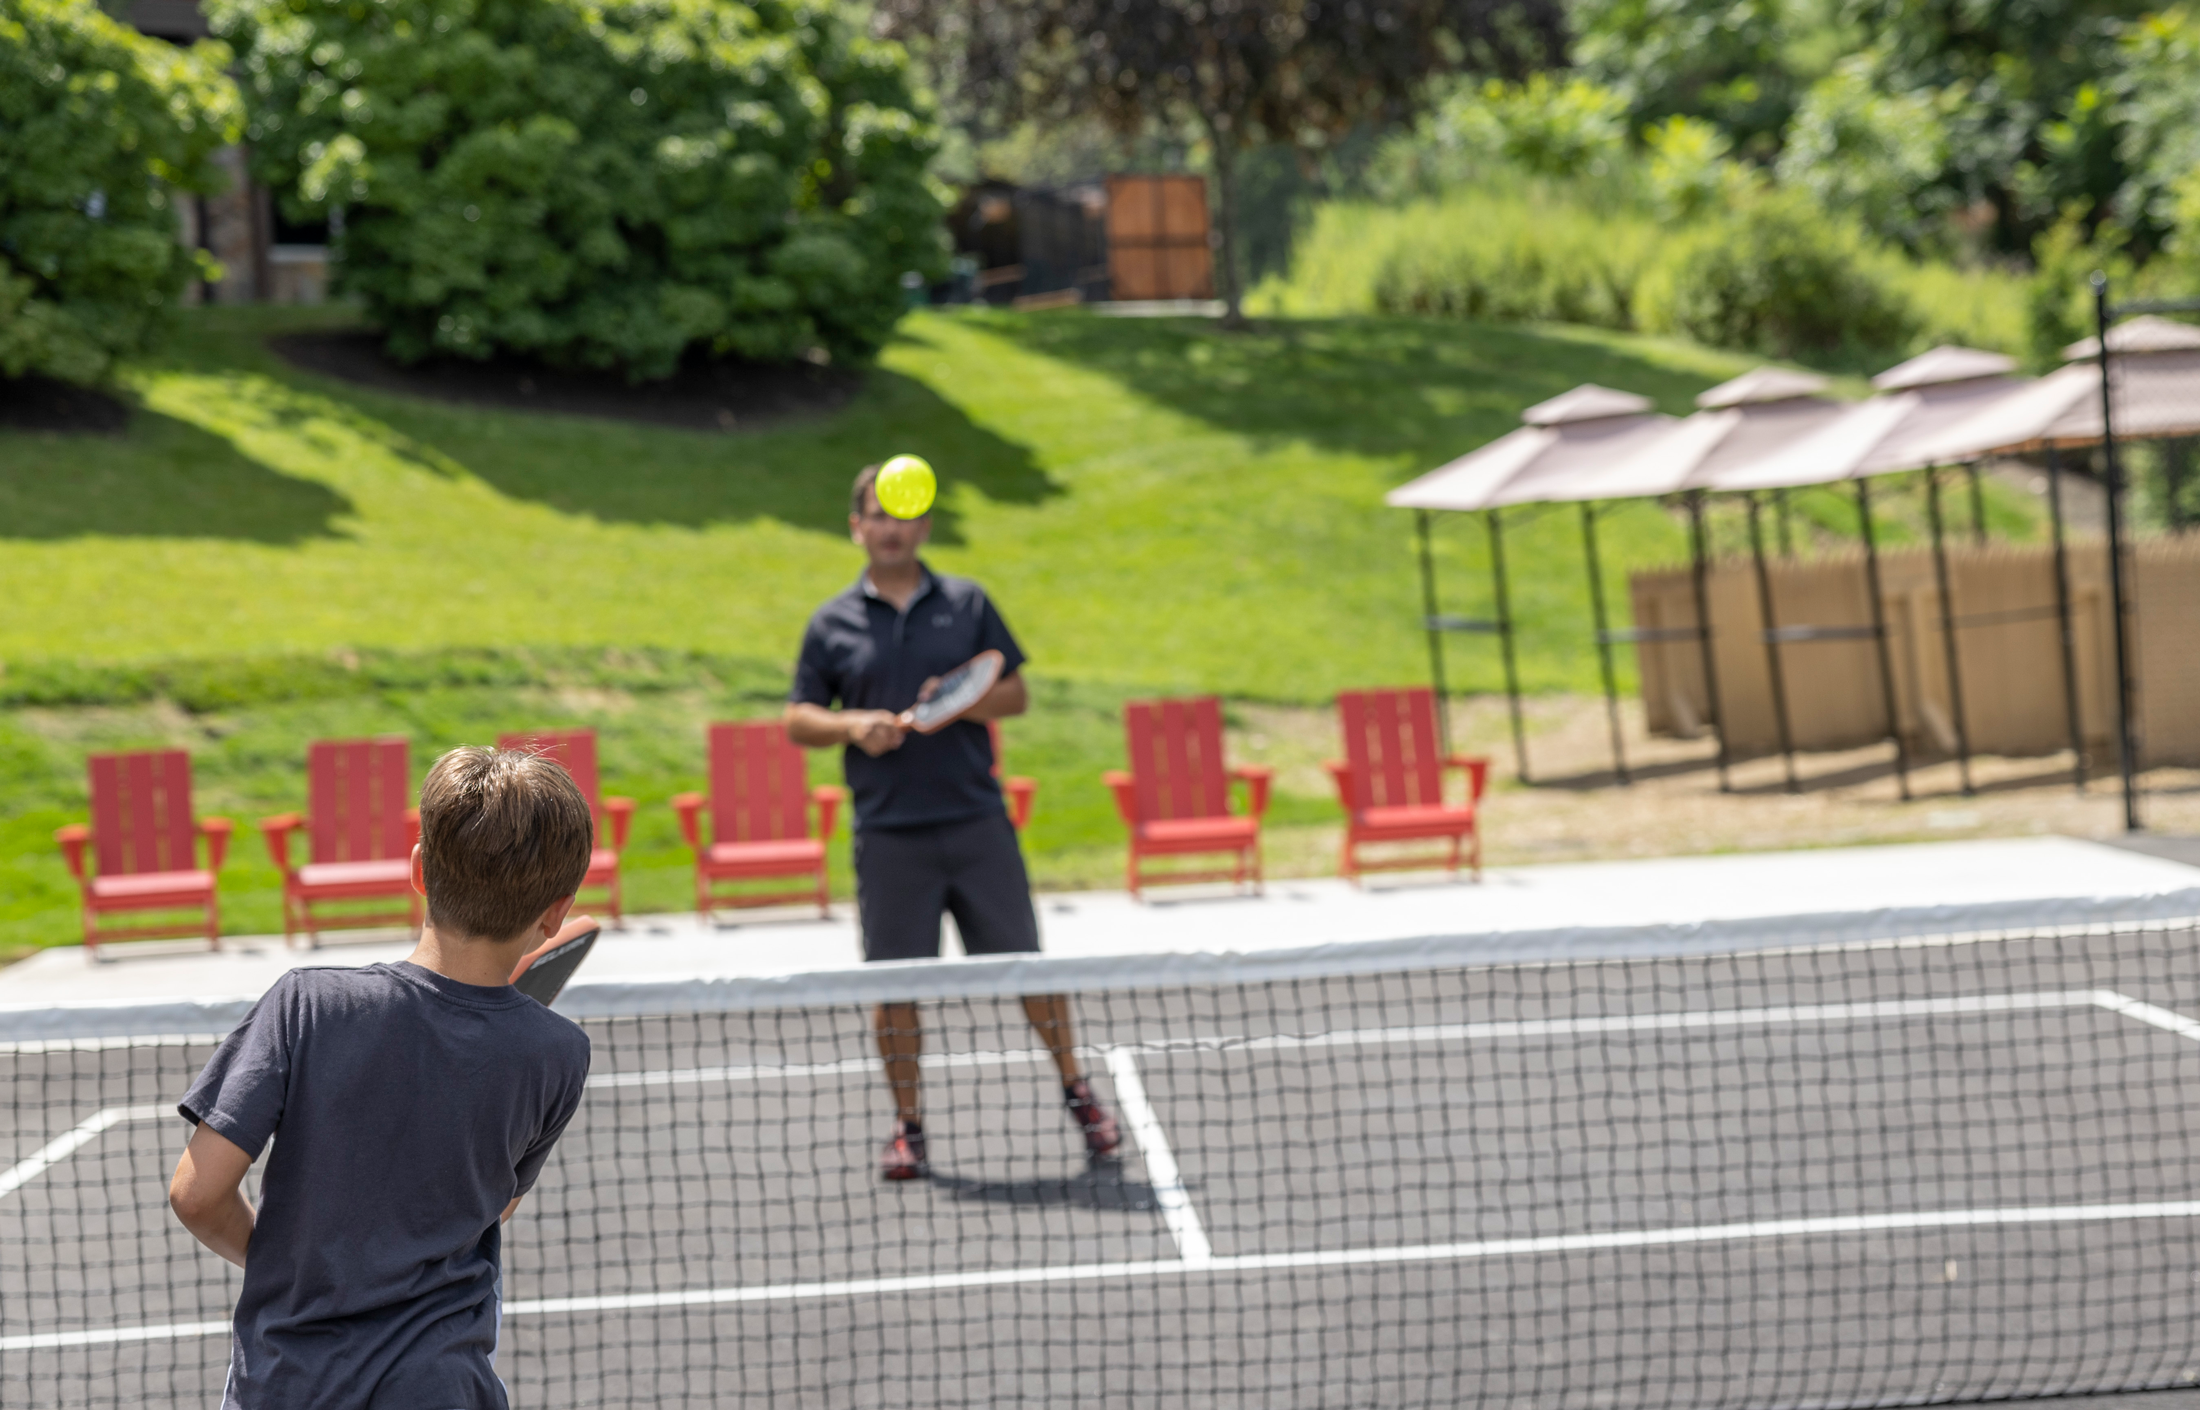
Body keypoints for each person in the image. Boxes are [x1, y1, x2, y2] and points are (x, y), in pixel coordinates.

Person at [167, 747, 597, 1409]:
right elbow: (495, 1203)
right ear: (557, 912)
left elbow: (197, 1195)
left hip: (287, 1383)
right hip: (442, 1388)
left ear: (420, 870)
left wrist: (286, 1269)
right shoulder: (559, 1053)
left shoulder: (307, 1004)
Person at [787, 460, 1120, 1181]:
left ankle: (1078, 1094)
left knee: (1028, 967)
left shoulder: (968, 604)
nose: (893, 527)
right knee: (894, 986)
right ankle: (909, 1127)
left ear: (924, 525)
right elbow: (798, 718)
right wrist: (855, 728)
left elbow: (1017, 694)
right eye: (879, 514)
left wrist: (959, 703)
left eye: (905, 515)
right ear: (858, 527)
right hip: (889, 837)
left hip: (976, 824)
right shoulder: (831, 623)